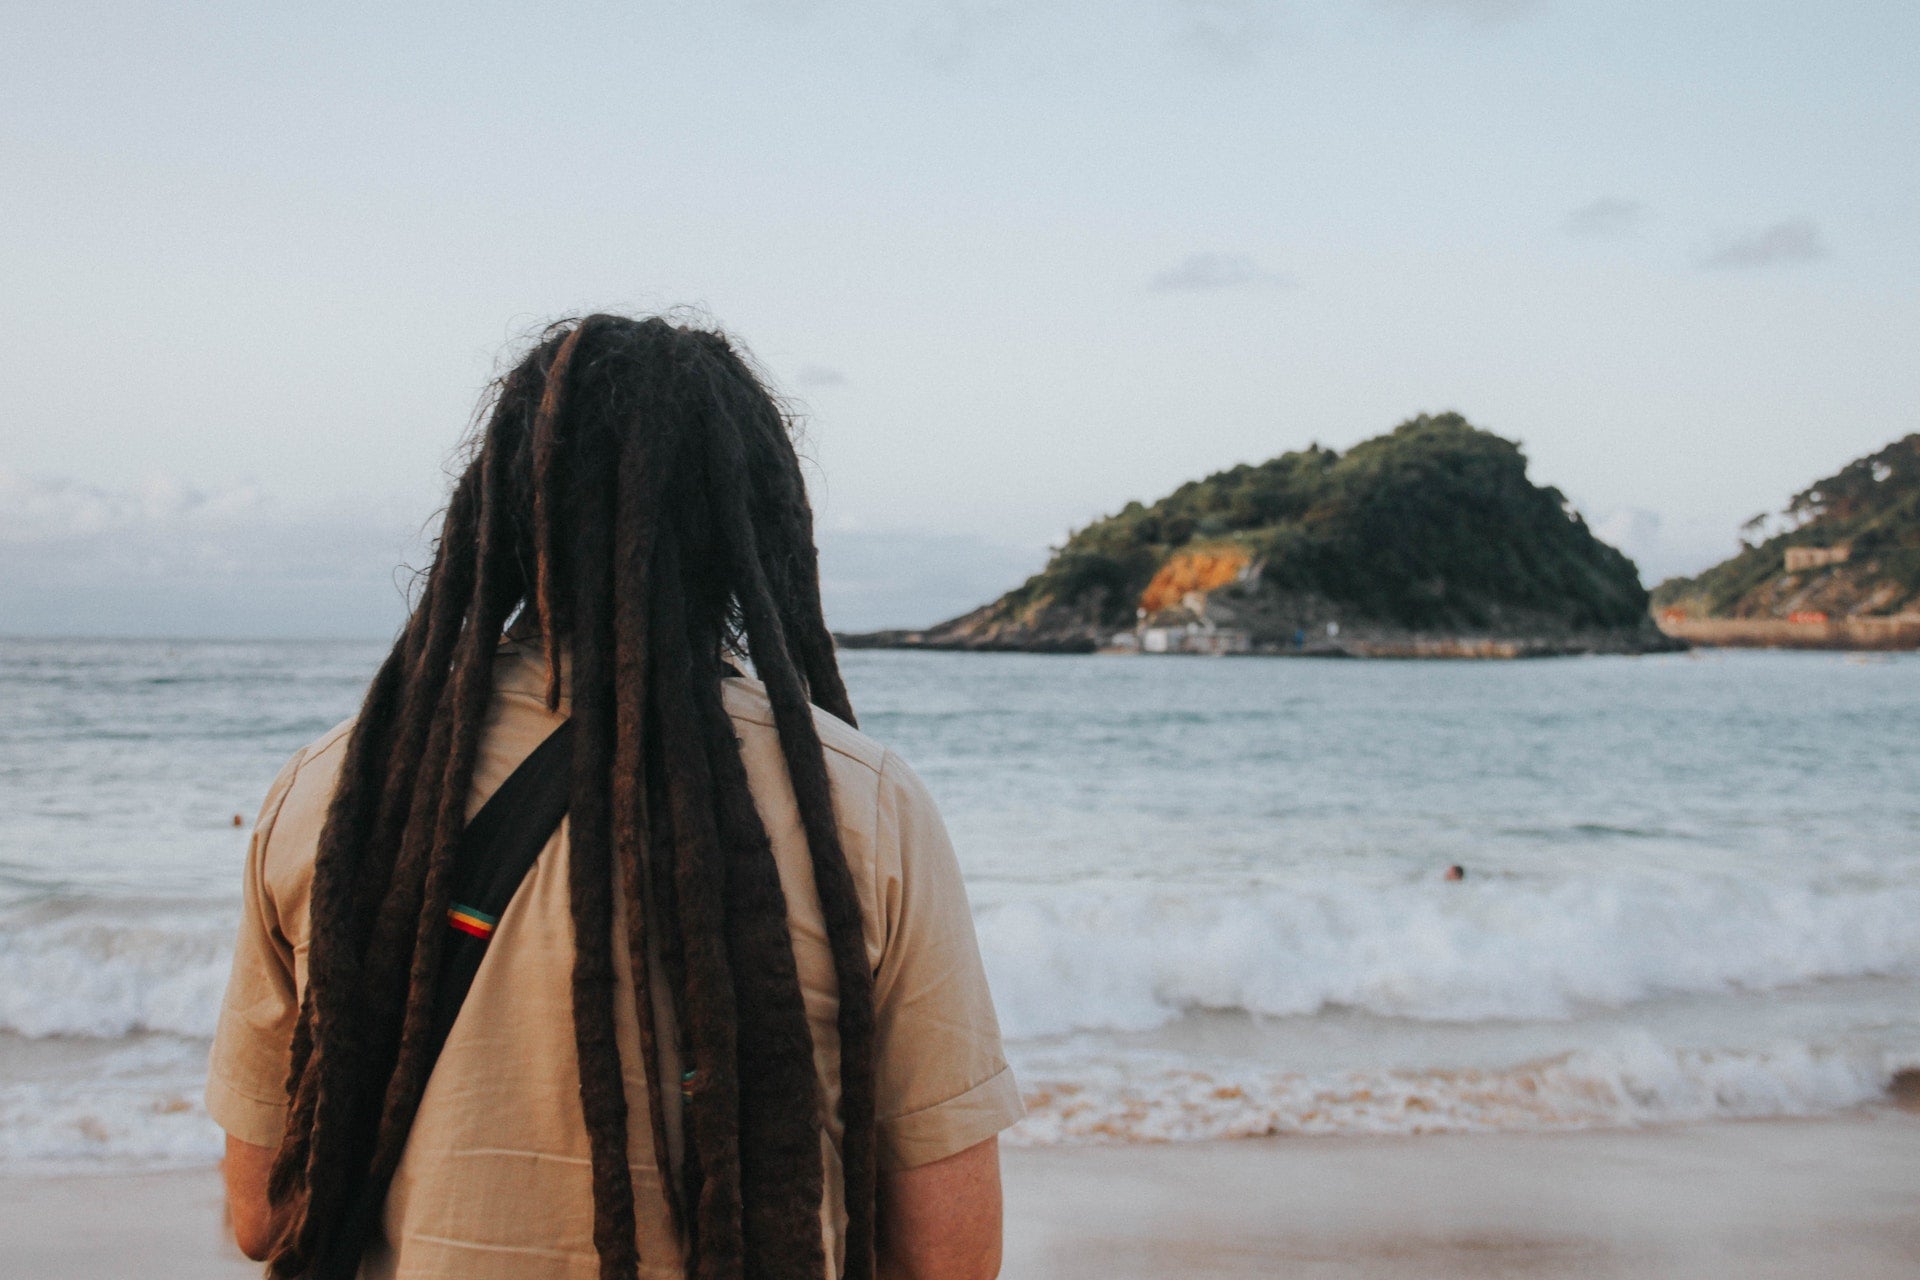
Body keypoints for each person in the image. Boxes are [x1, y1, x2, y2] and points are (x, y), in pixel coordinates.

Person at [207, 315, 1023, 1280]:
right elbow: (949, 1253)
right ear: (749, 525)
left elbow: (266, 1214)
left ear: (505, 515)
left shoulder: (332, 796)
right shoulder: (862, 809)